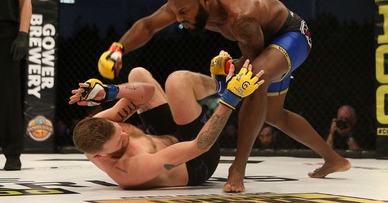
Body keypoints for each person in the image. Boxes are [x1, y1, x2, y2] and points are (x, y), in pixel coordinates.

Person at [97, 0, 351, 192]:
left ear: (205, 0)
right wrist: (118, 48)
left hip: (292, 36)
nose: (179, 19)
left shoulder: (241, 17)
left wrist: (232, 66)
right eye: (175, 13)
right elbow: (149, 25)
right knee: (274, 114)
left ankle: (237, 169)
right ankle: (333, 160)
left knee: (254, 81)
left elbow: (251, 63)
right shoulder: (187, 0)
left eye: (184, 12)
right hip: (264, 45)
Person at [70, 60, 264, 189]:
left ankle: (221, 84)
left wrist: (109, 91)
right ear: (99, 156)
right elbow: (200, 145)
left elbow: (146, 92)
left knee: (137, 73)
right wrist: (232, 98)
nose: (125, 135)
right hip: (196, 160)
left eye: (119, 130)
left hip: (167, 136)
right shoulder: (130, 170)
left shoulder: (98, 126)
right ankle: (228, 89)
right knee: (178, 81)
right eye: (119, 143)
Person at [0, 0, 33, 171]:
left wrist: (23, 34)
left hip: (5, 33)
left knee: (8, 95)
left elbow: (25, 0)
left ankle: (12, 154)